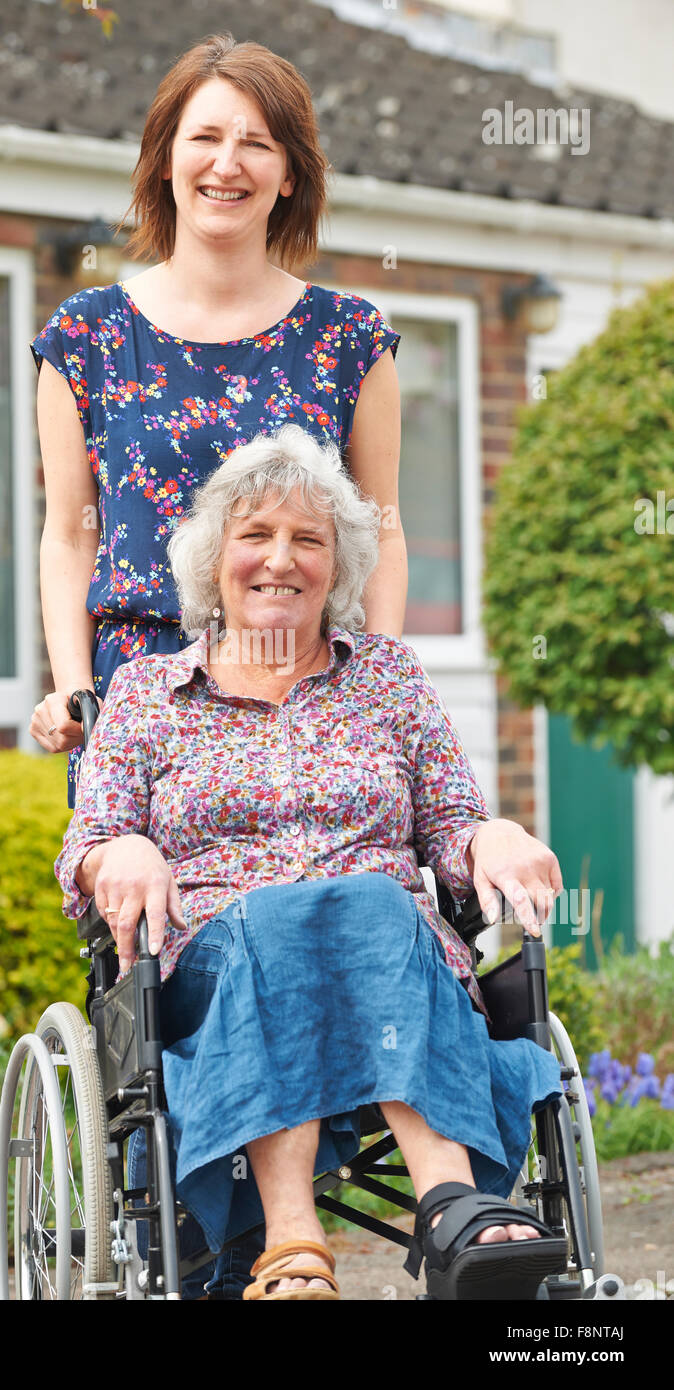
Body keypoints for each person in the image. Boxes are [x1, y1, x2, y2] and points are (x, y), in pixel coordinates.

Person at [29, 33, 404, 1298]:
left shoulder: (353, 336)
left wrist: (378, 689)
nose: (227, 162)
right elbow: (66, 531)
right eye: (204, 136)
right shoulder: (85, 336)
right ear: (166, 160)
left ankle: (302, 1217)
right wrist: (74, 684)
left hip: (313, 683)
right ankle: (219, 1234)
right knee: (172, 955)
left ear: (290, 174)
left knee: (349, 897)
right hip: (151, 700)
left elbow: (382, 526)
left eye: (257, 141)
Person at [54, 424, 569, 1301]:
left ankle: (443, 1203)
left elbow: (448, 822)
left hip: (389, 958)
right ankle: (306, 1234)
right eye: (256, 536)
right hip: (212, 965)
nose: (280, 560)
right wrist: (123, 847)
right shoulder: (146, 693)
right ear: (216, 559)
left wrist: (493, 836)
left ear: (340, 569)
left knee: (366, 899)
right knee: (281, 912)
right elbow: (85, 851)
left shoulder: (390, 679)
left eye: (309, 540)